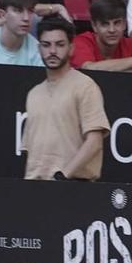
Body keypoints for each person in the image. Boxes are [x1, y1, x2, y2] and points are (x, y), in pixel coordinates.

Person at [24, 18, 107, 181]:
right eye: (46, 45)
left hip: (73, 186)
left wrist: (63, 175)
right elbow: (30, 150)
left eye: (60, 44)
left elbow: (95, 141)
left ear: (71, 48)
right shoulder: (33, 93)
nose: (52, 51)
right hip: (35, 187)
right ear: (39, 48)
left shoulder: (85, 86)